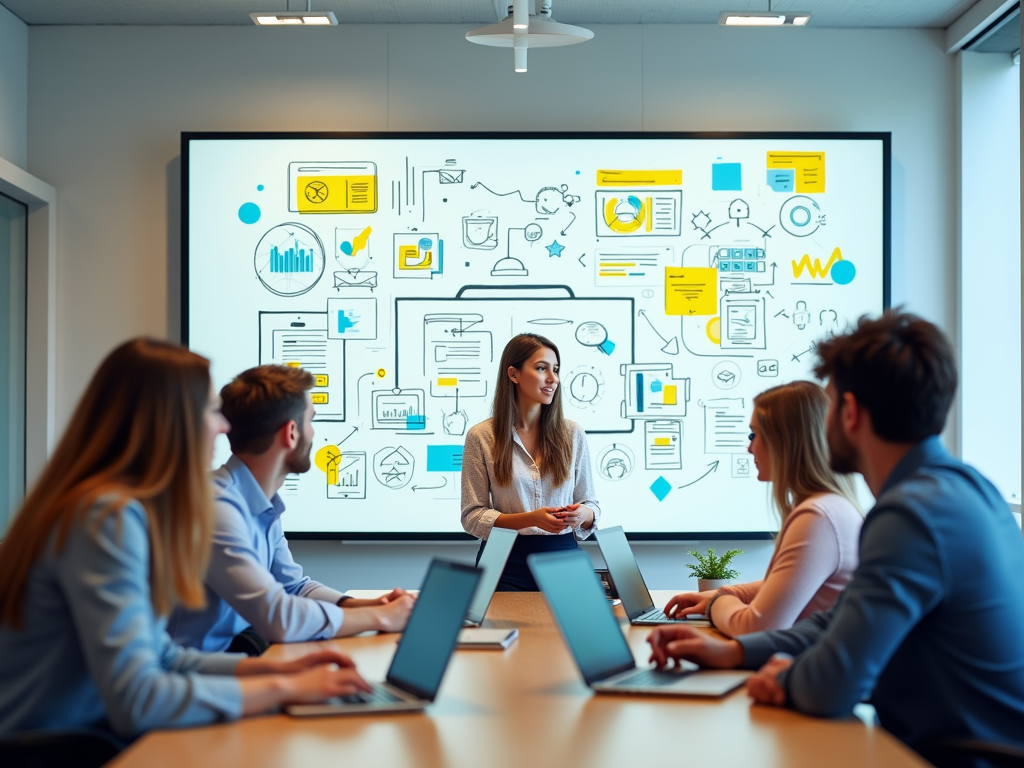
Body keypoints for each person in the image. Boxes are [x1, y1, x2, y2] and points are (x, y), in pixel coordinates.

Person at [647, 311, 1024, 755]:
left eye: (828, 406)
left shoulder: (912, 514)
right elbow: (838, 622)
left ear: (849, 412)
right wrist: (735, 654)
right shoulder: (969, 489)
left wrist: (785, 677)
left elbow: (833, 684)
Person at [0, 339, 371, 741]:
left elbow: (161, 657)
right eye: (212, 411)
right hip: (54, 750)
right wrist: (285, 690)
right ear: (172, 419)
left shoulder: (118, 508)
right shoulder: (105, 517)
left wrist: (274, 669)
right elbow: (138, 699)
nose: (225, 426)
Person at [169, 365, 414, 653]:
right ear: (292, 432)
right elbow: (279, 617)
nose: (314, 432)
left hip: (229, 662)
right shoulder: (215, 507)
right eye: (311, 420)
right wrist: (380, 617)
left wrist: (367, 605)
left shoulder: (259, 501)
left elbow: (293, 587)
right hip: (196, 676)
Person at [663, 381, 862, 637]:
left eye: (753, 435)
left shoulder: (817, 517)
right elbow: (783, 588)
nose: (749, 448)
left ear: (784, 442)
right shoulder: (832, 506)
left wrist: (716, 605)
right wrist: (725, 593)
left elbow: (757, 627)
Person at [462, 333, 600, 591]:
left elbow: (590, 503)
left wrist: (582, 514)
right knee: (502, 631)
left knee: (572, 632)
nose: (553, 379)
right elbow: (472, 516)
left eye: (556, 370)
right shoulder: (481, 437)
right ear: (513, 374)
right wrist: (529, 519)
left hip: (565, 557)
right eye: (541, 368)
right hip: (503, 561)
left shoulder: (573, 434)